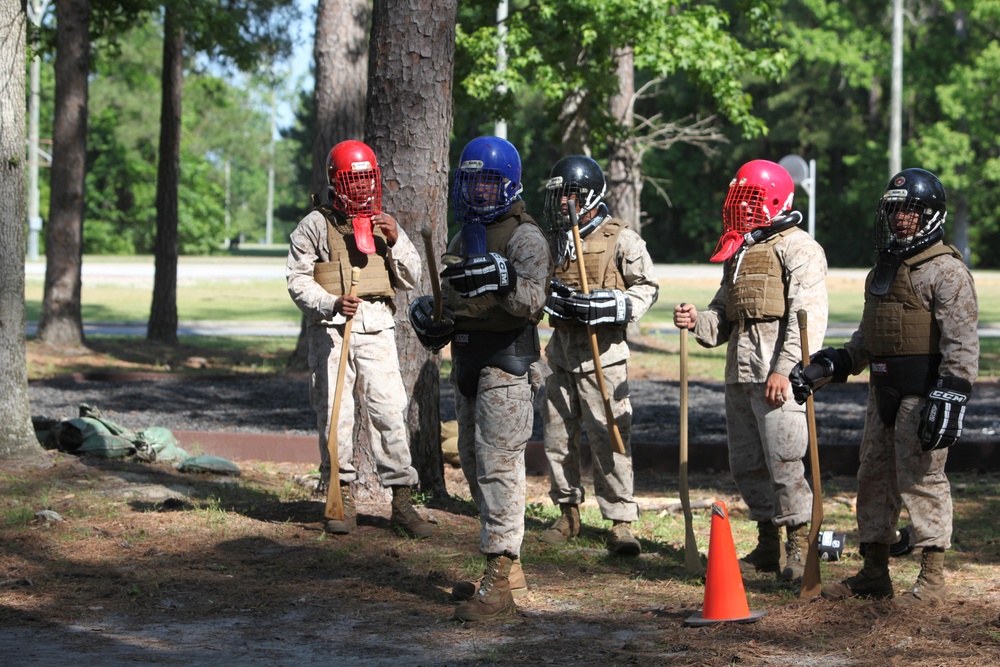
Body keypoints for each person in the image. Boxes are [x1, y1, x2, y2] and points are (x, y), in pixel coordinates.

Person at [790, 167, 978, 607]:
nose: (900, 218)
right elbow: (867, 340)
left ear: (929, 215)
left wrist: (950, 397)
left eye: (909, 211)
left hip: (923, 395)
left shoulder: (946, 271)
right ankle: (875, 572)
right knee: (873, 479)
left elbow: (962, 346)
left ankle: (931, 581)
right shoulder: (884, 268)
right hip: (882, 394)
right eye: (894, 210)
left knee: (923, 481)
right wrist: (829, 365)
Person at [409, 136, 552, 621]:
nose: (479, 192)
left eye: (488, 183)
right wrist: (433, 319)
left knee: (498, 467)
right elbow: (454, 304)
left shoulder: (525, 236)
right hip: (468, 364)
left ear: (508, 185)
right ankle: (508, 571)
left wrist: (505, 279)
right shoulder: (460, 237)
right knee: (472, 465)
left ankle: (498, 580)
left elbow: (534, 302)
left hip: (508, 365)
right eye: (471, 182)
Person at [672, 159, 828, 584]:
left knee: (784, 460)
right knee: (747, 463)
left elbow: (807, 319)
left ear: (776, 201)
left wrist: (785, 370)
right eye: (739, 199)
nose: (743, 208)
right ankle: (767, 543)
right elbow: (724, 313)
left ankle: (799, 545)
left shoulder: (799, 248)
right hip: (739, 375)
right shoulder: (740, 250)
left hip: (777, 379)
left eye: (752, 200)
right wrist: (697, 321)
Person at [286, 139, 433, 539]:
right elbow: (296, 280)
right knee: (336, 416)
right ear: (337, 182)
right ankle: (340, 493)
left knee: (389, 412)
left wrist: (397, 239)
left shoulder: (385, 225)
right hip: (332, 333)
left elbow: (411, 277)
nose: (362, 189)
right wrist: (331, 302)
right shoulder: (315, 225)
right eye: (354, 181)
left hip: (377, 331)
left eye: (367, 180)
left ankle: (402, 500)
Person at [536, 155, 659, 556]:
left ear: (588, 196)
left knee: (610, 436)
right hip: (560, 353)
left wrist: (611, 305)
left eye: (568, 196)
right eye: (558, 197)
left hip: (602, 356)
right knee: (557, 437)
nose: (562, 205)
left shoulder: (621, 239)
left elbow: (646, 288)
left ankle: (621, 520)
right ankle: (568, 510)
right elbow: (538, 288)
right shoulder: (555, 241)